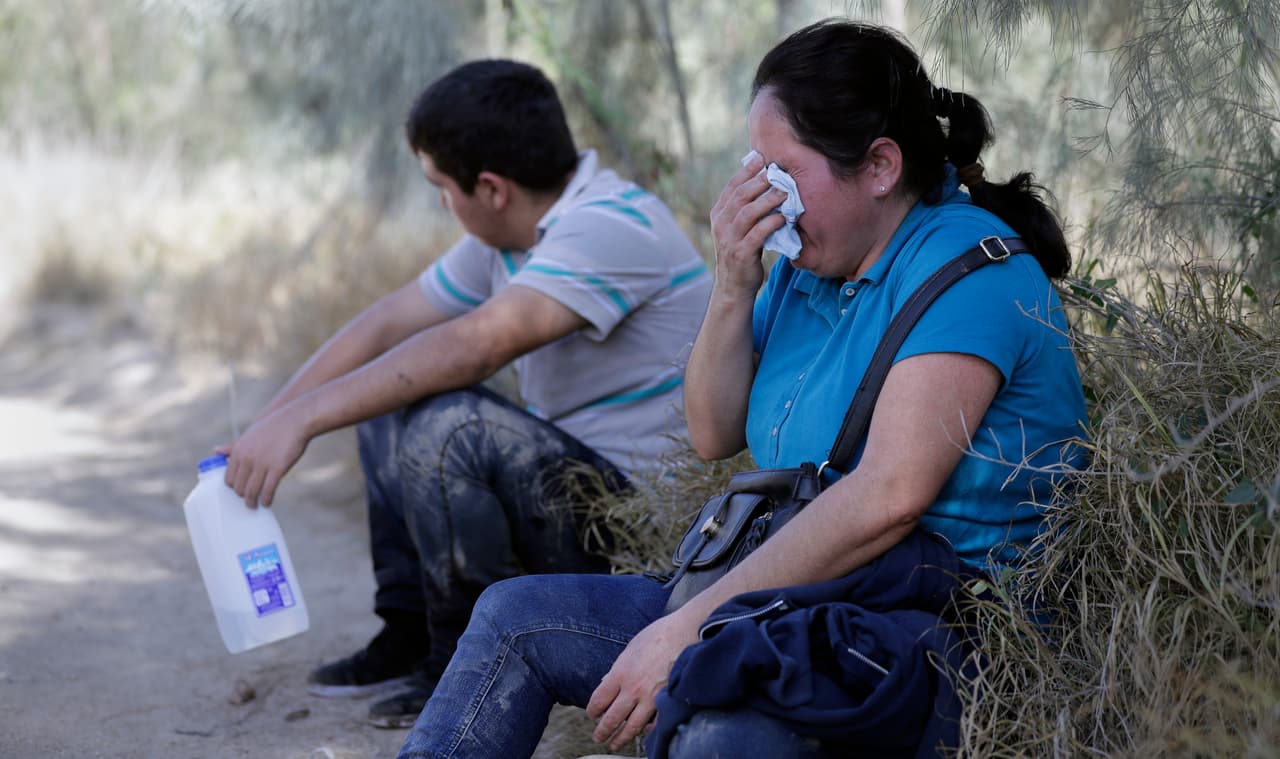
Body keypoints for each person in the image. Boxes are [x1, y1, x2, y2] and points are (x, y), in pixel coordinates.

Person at [395, 19, 1088, 759]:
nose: (764, 197)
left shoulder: (970, 275)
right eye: (754, 169)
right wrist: (733, 280)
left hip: (934, 629)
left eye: (782, 173)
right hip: (799, 597)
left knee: (721, 732)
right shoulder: (804, 265)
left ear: (881, 166)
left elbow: (889, 497)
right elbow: (712, 431)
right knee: (514, 616)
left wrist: (692, 624)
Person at [220, 59, 712, 728]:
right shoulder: (505, 240)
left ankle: (460, 666)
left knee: (450, 424)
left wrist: (307, 419)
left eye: (441, 188)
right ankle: (412, 633)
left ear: (491, 188)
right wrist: (271, 423)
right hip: (573, 498)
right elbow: (386, 324)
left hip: (638, 528)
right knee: (389, 398)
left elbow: (478, 344)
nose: (442, 204)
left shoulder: (610, 224)